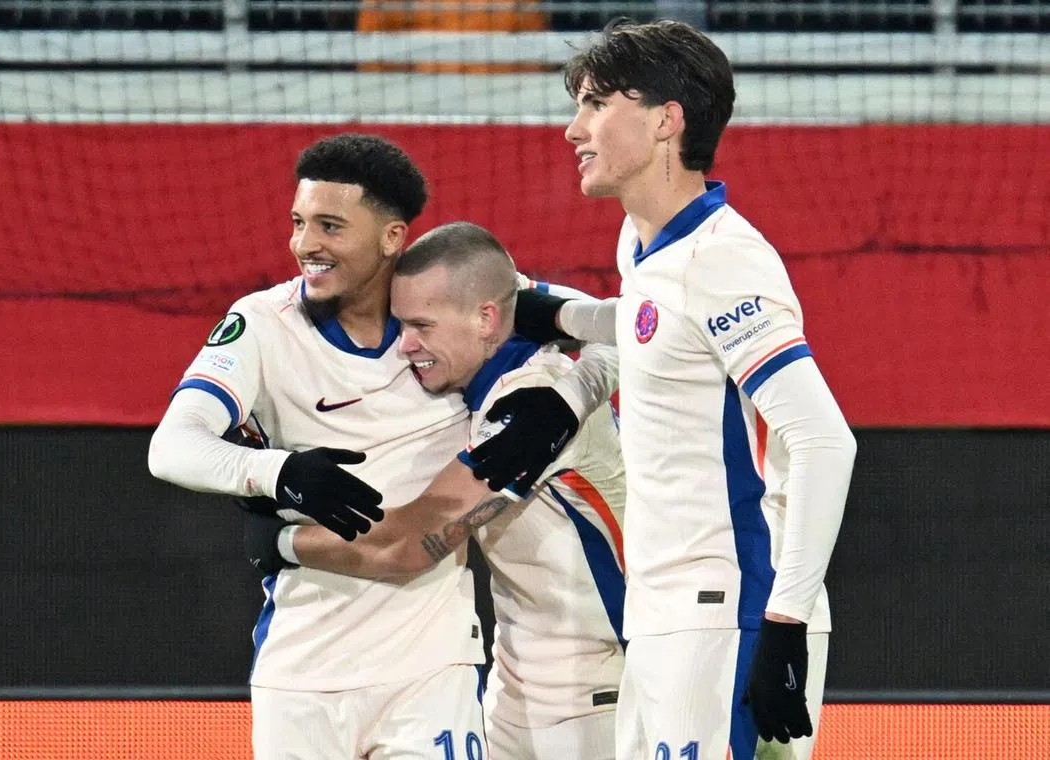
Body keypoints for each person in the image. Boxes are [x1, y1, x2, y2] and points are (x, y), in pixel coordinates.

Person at [467, 19, 857, 760]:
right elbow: (661, 332)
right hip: (665, 613)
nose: (571, 129)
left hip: (731, 608)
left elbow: (823, 440)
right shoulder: (647, 242)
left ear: (664, 121)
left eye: (593, 103)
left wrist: (784, 623)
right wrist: (567, 315)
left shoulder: (724, 258)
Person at [147, 133, 490, 760]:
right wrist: (280, 472)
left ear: (391, 238)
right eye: (299, 223)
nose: (307, 244)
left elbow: (578, 315)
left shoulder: (454, 310)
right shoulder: (261, 323)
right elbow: (171, 447)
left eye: (331, 226)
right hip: (300, 670)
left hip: (430, 668)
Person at [241, 221, 626, 760]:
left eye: (422, 325)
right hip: (520, 689)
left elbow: (409, 546)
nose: (405, 346)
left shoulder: (530, 404)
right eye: (401, 324)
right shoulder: (489, 376)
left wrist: (280, 541)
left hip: (597, 694)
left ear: (486, 318)